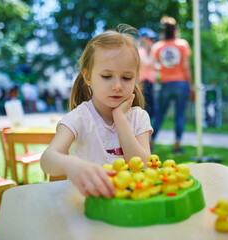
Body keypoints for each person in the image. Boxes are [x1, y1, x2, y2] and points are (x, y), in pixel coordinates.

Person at [40, 25, 153, 199]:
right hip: (87, 207)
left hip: (131, 207)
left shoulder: (139, 117)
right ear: (88, 77)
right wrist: (71, 164)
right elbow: (47, 159)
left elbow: (144, 167)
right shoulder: (79, 118)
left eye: (127, 78)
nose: (117, 86)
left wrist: (120, 119)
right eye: (107, 76)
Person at [150, 16, 193, 153]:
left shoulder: (157, 47)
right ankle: (177, 144)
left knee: (160, 114)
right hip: (181, 84)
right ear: (175, 30)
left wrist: (161, 72)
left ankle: (150, 141)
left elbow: (153, 66)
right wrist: (190, 85)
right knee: (179, 115)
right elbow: (186, 67)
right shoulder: (182, 44)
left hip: (165, 85)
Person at [138, 27, 157, 118]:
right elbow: (148, 63)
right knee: (148, 110)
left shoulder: (146, 52)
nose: (151, 41)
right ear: (143, 39)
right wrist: (154, 51)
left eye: (152, 39)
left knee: (151, 109)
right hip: (145, 83)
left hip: (149, 83)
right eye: (149, 39)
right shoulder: (141, 51)